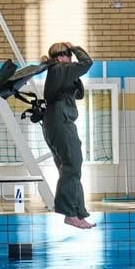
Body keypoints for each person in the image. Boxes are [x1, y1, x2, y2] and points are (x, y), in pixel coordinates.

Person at [42, 41, 95, 229]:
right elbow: (87, 62)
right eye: (69, 54)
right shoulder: (60, 68)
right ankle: (69, 213)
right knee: (72, 166)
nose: (71, 58)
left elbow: (77, 94)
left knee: (71, 169)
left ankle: (78, 212)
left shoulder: (59, 72)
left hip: (57, 122)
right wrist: (75, 47)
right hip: (60, 121)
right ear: (61, 56)